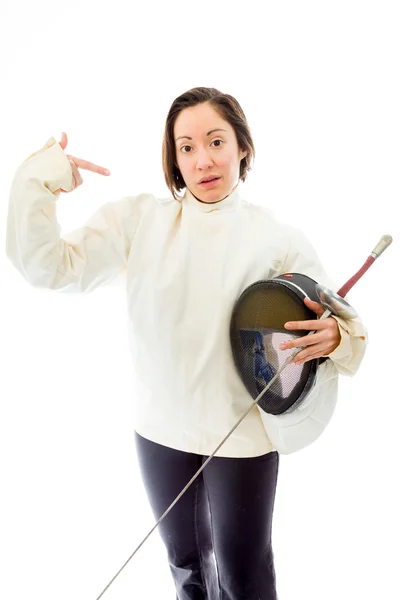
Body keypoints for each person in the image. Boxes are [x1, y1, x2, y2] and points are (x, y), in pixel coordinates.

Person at [6, 87, 367, 599]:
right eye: (187, 147)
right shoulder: (139, 222)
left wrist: (334, 336)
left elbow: (339, 323)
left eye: (217, 141)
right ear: (174, 160)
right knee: (187, 568)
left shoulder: (277, 239)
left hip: (242, 439)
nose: (204, 160)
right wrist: (38, 182)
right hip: (160, 432)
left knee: (244, 576)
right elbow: (50, 267)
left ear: (242, 146)